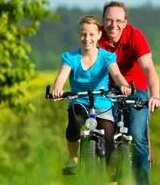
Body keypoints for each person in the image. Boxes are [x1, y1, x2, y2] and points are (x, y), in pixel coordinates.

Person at [98, 1, 160, 185]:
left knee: (136, 135)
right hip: (106, 90)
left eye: (118, 20)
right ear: (102, 21)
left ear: (125, 23)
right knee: (101, 133)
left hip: (136, 90)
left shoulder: (135, 36)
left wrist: (155, 95)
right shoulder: (96, 36)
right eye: (108, 20)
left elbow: (149, 68)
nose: (113, 25)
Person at [51, 15, 132, 175]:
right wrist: (57, 88)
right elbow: (62, 76)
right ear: (78, 35)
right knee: (74, 121)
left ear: (99, 35)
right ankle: (73, 157)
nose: (87, 38)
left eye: (91, 34)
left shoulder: (106, 57)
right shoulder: (71, 57)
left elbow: (116, 74)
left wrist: (123, 85)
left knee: (109, 133)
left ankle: (110, 169)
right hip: (79, 100)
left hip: (102, 102)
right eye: (83, 34)